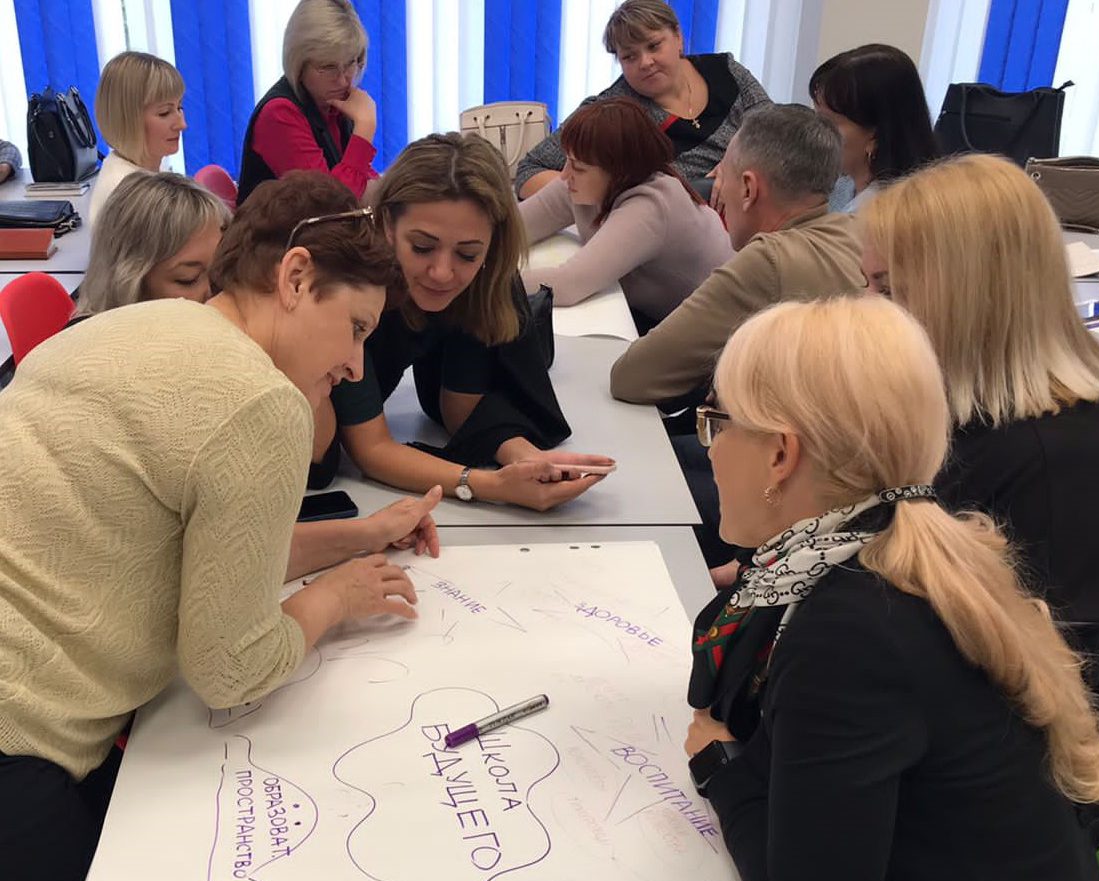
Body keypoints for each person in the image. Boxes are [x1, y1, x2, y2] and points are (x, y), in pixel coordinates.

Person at [0, 171, 439, 881]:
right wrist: (334, 600)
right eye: (355, 328)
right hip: (17, 751)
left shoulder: (127, 325)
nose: (355, 365)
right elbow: (230, 667)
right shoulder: (258, 403)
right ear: (296, 276)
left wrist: (358, 536)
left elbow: (198, 556)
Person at [685, 295, 1099, 881]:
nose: (711, 445)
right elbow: (714, 679)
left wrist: (721, 773)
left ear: (780, 455)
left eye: (717, 423)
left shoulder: (854, 629)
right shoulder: (881, 543)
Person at [860, 153, 1099, 722]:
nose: (869, 311)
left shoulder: (1071, 469)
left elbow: (1067, 691)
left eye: (890, 289)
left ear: (965, 298)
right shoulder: (968, 408)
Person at [77, 169, 439, 579]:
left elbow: (232, 555)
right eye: (188, 279)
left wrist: (368, 534)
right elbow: (227, 612)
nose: (211, 296)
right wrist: (334, 599)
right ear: (293, 278)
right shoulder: (242, 397)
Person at [322, 132, 614, 512]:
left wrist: (525, 459)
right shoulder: (348, 291)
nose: (443, 273)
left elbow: (461, 408)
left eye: (468, 254)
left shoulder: (482, 283)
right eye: (422, 247)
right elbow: (371, 448)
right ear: (387, 225)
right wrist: (492, 486)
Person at [609, 104, 862, 407]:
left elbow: (632, 377)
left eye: (722, 175)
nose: (718, 188)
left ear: (748, 189)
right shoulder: (859, 234)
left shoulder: (768, 261)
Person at [515, 0, 769, 202]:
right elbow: (529, 172)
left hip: (760, 205)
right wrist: (610, 196)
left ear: (678, 37)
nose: (645, 62)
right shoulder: (611, 111)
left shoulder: (727, 70)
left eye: (654, 46)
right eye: (629, 57)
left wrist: (733, 163)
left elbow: (775, 132)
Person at [519, 98, 732, 330]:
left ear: (618, 171)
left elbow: (568, 284)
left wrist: (492, 285)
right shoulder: (586, 181)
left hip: (720, 326)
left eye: (578, 167)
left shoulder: (650, 206)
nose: (564, 175)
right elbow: (513, 227)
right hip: (661, 314)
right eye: (568, 161)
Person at [237, 0, 378, 204]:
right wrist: (364, 128)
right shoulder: (279, 114)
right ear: (299, 64)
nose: (343, 80)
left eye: (351, 63)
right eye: (328, 67)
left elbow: (362, 180)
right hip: (281, 226)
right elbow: (331, 207)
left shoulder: (332, 103)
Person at [809, 43, 939, 213]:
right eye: (817, 118)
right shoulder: (841, 186)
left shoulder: (887, 215)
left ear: (876, 136)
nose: (816, 133)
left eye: (829, 123)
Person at [90, 51, 187, 223]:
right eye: (164, 113)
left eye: (179, 108)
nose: (181, 124)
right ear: (126, 119)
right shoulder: (133, 197)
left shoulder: (143, 170)